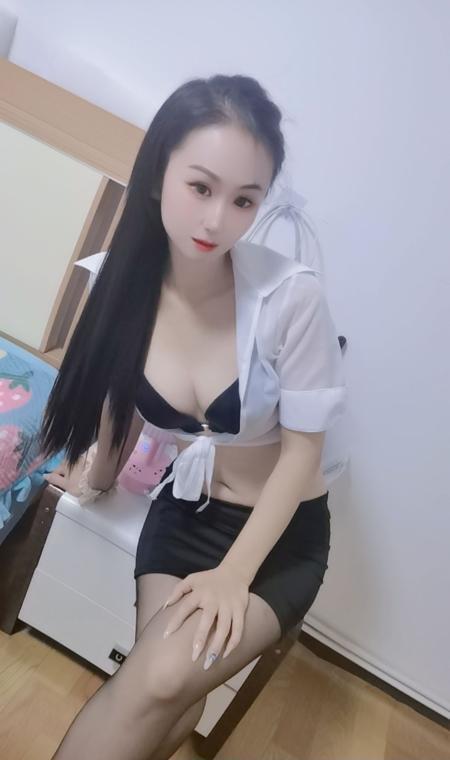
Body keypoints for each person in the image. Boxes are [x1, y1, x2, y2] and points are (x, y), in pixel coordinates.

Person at [41, 73, 346, 760]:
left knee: (161, 678)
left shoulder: (291, 300)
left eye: (244, 200)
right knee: (168, 689)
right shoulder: (122, 284)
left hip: (278, 536)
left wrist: (234, 575)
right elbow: (123, 402)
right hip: (185, 514)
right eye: (201, 188)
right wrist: (95, 478)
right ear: (159, 175)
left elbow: (302, 454)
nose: (217, 221)